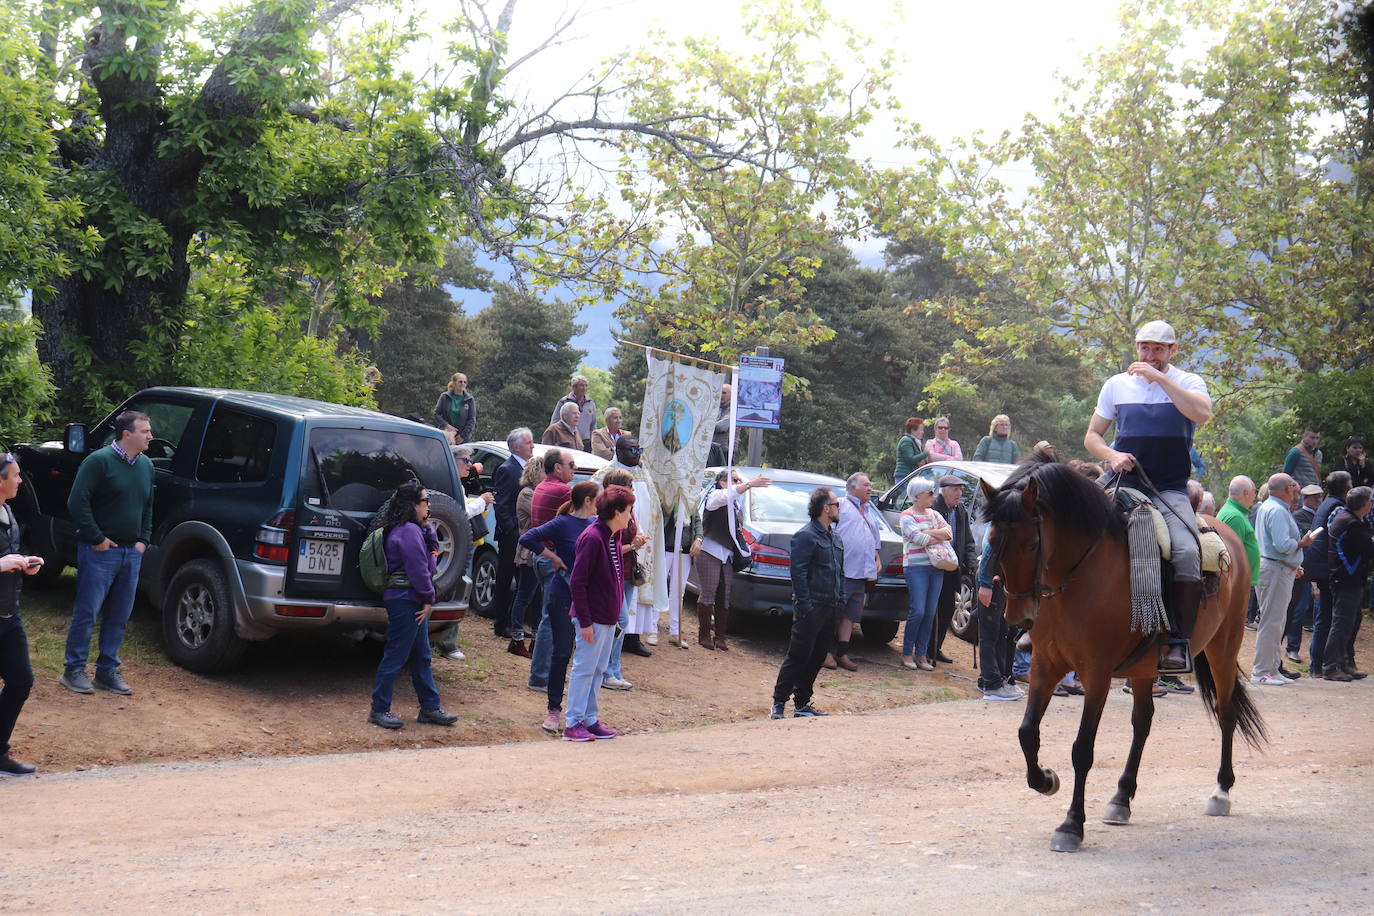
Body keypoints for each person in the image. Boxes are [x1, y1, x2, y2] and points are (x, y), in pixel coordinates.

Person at [1084, 319, 1210, 673]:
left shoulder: (1188, 382)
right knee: (1070, 527)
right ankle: (1045, 623)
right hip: (1122, 481)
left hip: (1169, 488)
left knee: (1186, 552)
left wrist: (1161, 380)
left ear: (1173, 350)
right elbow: (1092, 436)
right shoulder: (1116, 385)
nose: (1149, 355)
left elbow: (1201, 413)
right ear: (1136, 347)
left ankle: (1177, 641)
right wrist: (1110, 456)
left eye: (1157, 349)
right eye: (1144, 347)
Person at [60, 410, 155, 696]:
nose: (151, 436)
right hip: (100, 552)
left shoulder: (146, 465)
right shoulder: (98, 461)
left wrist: (144, 540)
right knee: (88, 611)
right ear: (127, 434)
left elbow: (148, 504)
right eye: (145, 432)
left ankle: (106, 671)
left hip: (131, 553)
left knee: (120, 614)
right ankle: (73, 670)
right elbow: (77, 501)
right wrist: (96, 538)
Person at [367, 481, 459, 729]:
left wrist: (429, 534)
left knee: (421, 656)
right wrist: (429, 599)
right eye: (425, 501)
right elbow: (420, 571)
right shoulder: (408, 532)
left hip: (410, 599)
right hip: (407, 600)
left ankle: (429, 708)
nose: (429, 506)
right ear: (412, 505)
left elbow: (427, 564)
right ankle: (379, 709)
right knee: (397, 655)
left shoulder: (411, 529)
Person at [520, 481, 602, 733]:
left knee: (587, 657)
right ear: (587, 500)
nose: (600, 503)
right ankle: (553, 710)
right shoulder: (564, 522)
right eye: (597, 498)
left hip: (588, 597)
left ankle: (584, 715)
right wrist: (553, 557)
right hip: (563, 595)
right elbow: (527, 537)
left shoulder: (596, 524)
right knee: (562, 652)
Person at [564, 484, 639, 741]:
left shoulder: (613, 536)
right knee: (585, 668)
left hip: (606, 617)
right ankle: (573, 722)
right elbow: (578, 581)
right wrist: (584, 621)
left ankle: (589, 718)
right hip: (592, 617)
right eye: (628, 510)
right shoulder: (593, 537)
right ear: (617, 512)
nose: (631, 516)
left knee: (597, 670)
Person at [770, 487, 845, 719]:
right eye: (836, 504)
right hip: (811, 606)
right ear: (826, 508)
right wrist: (805, 605)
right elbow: (798, 573)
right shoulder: (806, 535)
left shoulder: (835, 537)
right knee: (798, 655)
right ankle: (779, 703)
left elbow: (838, 572)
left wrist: (839, 601)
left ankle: (802, 704)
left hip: (831, 607)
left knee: (817, 656)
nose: (839, 508)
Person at [591, 435, 665, 653]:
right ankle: (610, 644)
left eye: (639, 449)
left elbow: (654, 509)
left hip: (640, 545)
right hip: (617, 545)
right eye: (633, 450)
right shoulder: (605, 475)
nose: (638, 454)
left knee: (636, 594)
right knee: (618, 598)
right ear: (619, 451)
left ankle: (632, 638)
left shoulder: (644, 474)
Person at [693, 469, 770, 651]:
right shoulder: (714, 497)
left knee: (724, 595)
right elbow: (726, 495)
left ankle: (720, 636)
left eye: (738, 480)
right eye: (733, 479)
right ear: (721, 482)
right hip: (709, 550)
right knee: (709, 592)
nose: (737, 482)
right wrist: (749, 484)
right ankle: (704, 634)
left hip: (726, 553)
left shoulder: (735, 505)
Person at [1252, 474, 1318, 686]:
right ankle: (1262, 671)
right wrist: (1303, 543)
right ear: (1286, 489)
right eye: (1294, 488)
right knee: (1271, 622)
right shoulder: (1278, 510)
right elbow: (1282, 545)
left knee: (1276, 622)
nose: (1296, 493)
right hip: (1275, 569)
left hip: (1277, 567)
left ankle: (1271, 669)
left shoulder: (1269, 506)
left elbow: (1275, 545)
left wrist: (1293, 564)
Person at [0, 453, 43, 774]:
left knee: (21, 680)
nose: (19, 481)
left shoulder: (8, 512)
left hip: (9, 616)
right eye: (14, 476)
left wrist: (24, 563)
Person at [432, 446, 493, 660]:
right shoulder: (448, 481)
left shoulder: (455, 482)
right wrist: (482, 502)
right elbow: (461, 511)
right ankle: (447, 644)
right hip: (446, 547)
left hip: (450, 546)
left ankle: (445, 641)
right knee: (451, 589)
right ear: (452, 459)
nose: (469, 464)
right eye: (465, 460)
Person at [524, 450, 574, 669]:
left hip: (541, 556)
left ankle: (542, 671)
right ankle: (541, 674)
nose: (575, 469)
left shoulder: (542, 486)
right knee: (551, 620)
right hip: (553, 558)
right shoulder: (563, 490)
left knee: (548, 618)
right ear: (557, 468)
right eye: (571, 465)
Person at [897, 477, 952, 671]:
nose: (933, 496)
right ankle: (906, 653)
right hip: (916, 567)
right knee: (918, 610)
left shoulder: (934, 514)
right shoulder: (906, 516)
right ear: (917, 495)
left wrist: (929, 533)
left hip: (936, 566)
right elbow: (918, 538)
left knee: (929, 612)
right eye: (930, 493)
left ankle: (921, 655)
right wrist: (936, 533)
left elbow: (950, 533)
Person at [829, 472, 880, 671]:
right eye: (866, 485)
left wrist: (876, 557)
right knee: (834, 613)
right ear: (852, 488)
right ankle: (825, 652)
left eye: (870, 484)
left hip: (861, 572)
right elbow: (828, 531)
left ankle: (842, 653)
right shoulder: (840, 505)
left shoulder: (868, 510)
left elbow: (874, 539)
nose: (870, 488)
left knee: (850, 615)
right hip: (843, 571)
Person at [596, 467, 640, 690]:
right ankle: (604, 670)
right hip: (616, 570)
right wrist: (633, 545)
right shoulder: (610, 513)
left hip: (629, 570)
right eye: (630, 486)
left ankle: (614, 668)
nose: (633, 490)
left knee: (622, 622)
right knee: (620, 620)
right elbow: (610, 547)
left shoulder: (629, 511)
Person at [1304, 471, 1351, 678]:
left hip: (1321, 567)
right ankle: (1318, 666)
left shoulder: (1327, 503)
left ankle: (1318, 664)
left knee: (1324, 616)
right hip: (1327, 569)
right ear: (1346, 489)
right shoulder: (1337, 507)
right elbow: (1337, 540)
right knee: (1326, 617)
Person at [1323, 486, 1373, 681]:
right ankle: (1330, 667)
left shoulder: (1352, 520)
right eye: (1371, 501)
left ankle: (1343, 663)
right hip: (1346, 580)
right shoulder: (1350, 523)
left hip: (1350, 580)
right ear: (1364, 504)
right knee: (1342, 624)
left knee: (1352, 621)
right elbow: (1369, 549)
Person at [929, 474, 975, 667]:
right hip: (935, 565)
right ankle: (924, 649)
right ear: (944, 491)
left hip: (953, 567)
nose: (959, 493)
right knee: (932, 610)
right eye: (955, 489)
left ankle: (935, 648)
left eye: (961, 489)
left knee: (947, 609)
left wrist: (971, 563)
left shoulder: (961, 510)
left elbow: (968, 540)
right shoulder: (933, 509)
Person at [500, 457, 546, 645]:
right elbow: (540, 516)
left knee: (537, 596)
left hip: (538, 548)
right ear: (536, 473)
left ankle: (535, 633)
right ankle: (517, 635)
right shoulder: (527, 494)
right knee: (525, 593)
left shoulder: (535, 492)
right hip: (529, 550)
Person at [493, 427, 534, 636]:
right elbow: (501, 505)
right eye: (529, 443)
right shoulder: (507, 469)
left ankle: (516, 622)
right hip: (512, 537)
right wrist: (513, 533)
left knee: (522, 582)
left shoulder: (526, 469)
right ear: (517, 447)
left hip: (524, 536)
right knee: (505, 579)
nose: (532, 446)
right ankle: (502, 624)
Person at [974, 528, 1022, 701]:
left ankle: (997, 679)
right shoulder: (1007, 516)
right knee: (989, 634)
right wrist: (986, 584)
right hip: (991, 580)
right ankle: (991, 685)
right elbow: (989, 548)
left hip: (1000, 580)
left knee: (1002, 632)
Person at [1282, 483, 1324, 664]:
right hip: (1298, 570)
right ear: (1307, 498)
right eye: (1315, 498)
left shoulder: (1316, 515)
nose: (1318, 501)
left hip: (1307, 571)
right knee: (1296, 611)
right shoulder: (1299, 516)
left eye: (1319, 497)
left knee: (1304, 609)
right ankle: (1291, 648)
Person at [550, 375, 597, 452]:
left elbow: (593, 424)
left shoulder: (590, 403)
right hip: (568, 443)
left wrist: (593, 440)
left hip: (586, 443)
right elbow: (555, 421)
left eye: (586, 386)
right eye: (581, 385)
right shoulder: (564, 402)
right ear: (574, 387)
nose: (584, 388)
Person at [433, 372, 476, 444]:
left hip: (462, 437)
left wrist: (463, 436)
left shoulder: (469, 399)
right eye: (460, 381)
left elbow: (471, 420)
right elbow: (437, 414)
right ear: (454, 383)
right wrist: (446, 425)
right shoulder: (444, 396)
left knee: (462, 455)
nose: (463, 384)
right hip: (445, 434)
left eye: (465, 382)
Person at [707, 384, 735, 467]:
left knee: (724, 477)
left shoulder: (734, 410)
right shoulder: (716, 409)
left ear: (731, 395)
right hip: (713, 450)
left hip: (725, 452)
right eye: (719, 392)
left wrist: (706, 424)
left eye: (724, 393)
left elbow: (721, 427)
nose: (721, 395)